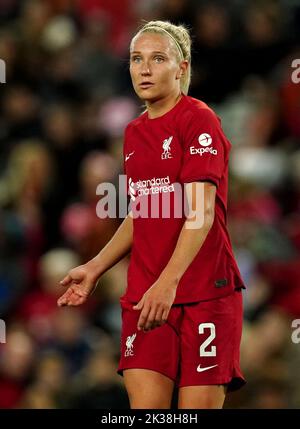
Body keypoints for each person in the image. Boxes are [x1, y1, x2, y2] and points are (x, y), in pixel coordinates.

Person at [57, 20, 246, 409]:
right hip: (145, 297)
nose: (144, 69)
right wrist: (95, 267)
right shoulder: (132, 133)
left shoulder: (199, 120)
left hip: (203, 294)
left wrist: (168, 282)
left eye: (158, 59)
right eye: (136, 59)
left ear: (182, 67)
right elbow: (142, 211)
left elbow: (201, 212)